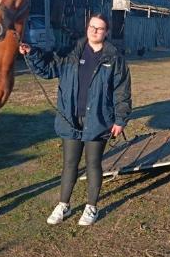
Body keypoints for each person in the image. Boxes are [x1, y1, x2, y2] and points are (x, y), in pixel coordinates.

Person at [19, 13, 132, 225]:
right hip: (71, 117)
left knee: (92, 164)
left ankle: (91, 207)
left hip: (98, 118)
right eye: (92, 26)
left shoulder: (114, 58)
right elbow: (48, 68)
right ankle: (64, 205)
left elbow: (122, 91)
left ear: (106, 32)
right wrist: (32, 53)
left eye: (99, 28)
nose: (94, 31)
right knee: (70, 163)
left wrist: (120, 119)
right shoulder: (71, 52)